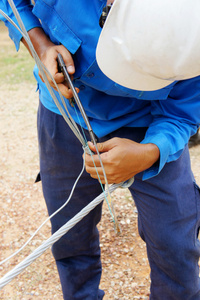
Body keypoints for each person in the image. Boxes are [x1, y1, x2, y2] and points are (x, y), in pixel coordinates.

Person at [1, 0, 200, 299]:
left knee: (176, 244)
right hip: (65, 113)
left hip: (150, 124)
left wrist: (149, 152)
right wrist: (39, 44)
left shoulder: (192, 23)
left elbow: (183, 111)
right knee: (70, 237)